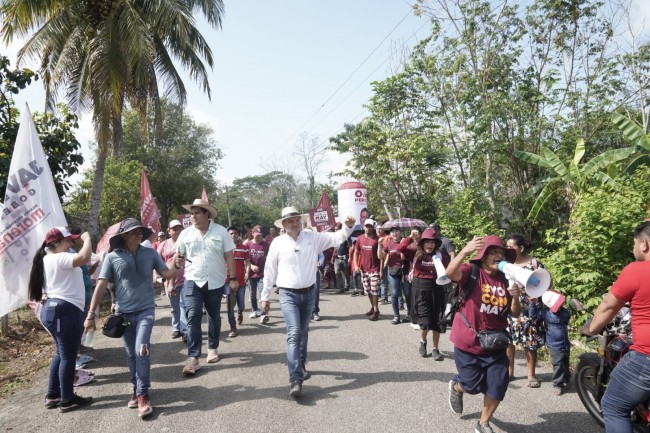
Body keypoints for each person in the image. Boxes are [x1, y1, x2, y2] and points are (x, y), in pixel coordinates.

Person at [84, 218, 176, 418]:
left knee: (141, 349)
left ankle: (143, 394)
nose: (139, 234)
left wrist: (177, 264)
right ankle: (136, 389)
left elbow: (167, 273)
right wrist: (91, 314)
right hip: (124, 315)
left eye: (141, 232)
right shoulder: (112, 257)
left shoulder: (150, 253)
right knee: (130, 354)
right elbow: (100, 285)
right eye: (134, 232)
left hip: (146, 311)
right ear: (124, 235)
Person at [260, 206, 355, 397]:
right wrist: (265, 296)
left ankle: (301, 363)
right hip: (287, 294)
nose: (295, 223)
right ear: (284, 224)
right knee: (294, 333)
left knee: (303, 332)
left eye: (297, 219)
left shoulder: (313, 238)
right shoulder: (277, 243)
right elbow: (270, 270)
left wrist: (348, 227)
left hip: (309, 292)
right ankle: (295, 379)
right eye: (291, 220)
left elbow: (337, 238)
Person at [445, 235, 521, 433]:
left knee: (498, 384)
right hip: (469, 341)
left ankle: (483, 422)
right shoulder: (471, 271)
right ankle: (457, 387)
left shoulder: (506, 278)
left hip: (496, 342)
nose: (499, 256)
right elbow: (449, 273)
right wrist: (465, 250)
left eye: (501, 253)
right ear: (483, 256)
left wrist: (515, 298)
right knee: (471, 386)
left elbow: (515, 313)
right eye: (494, 252)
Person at [581, 221, 650, 433]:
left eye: (634, 243)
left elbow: (609, 305)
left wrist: (590, 329)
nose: (633, 247)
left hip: (646, 357)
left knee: (613, 407)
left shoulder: (637, 270)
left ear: (644, 244)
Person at [29, 227, 93, 412]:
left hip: (57, 310)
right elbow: (83, 257)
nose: (71, 243)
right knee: (68, 356)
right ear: (57, 243)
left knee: (60, 353)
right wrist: (87, 238)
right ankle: (67, 398)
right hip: (64, 311)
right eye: (68, 240)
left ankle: (54, 394)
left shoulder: (49, 258)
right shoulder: (58, 258)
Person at [174, 199, 238, 374]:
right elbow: (177, 258)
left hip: (215, 281)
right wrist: (177, 264)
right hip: (192, 280)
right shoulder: (185, 234)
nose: (193, 216)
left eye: (196, 213)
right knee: (193, 316)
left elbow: (229, 256)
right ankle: (193, 357)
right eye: (191, 213)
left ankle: (212, 347)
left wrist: (233, 278)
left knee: (213, 316)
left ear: (206, 214)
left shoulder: (221, 231)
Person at [398, 228, 449, 360]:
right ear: (422, 243)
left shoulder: (440, 254)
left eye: (432, 242)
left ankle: (435, 349)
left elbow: (449, 270)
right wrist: (410, 237)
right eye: (427, 242)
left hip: (437, 289)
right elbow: (401, 248)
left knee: (438, 321)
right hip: (420, 289)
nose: (430, 245)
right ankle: (423, 341)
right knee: (425, 321)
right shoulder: (414, 252)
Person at [505, 234, 546, 387]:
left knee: (531, 343)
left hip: (531, 310)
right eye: (506, 246)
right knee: (509, 342)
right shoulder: (506, 264)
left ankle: (531, 375)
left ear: (521, 248)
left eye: (511, 247)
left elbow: (546, 283)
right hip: (510, 308)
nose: (507, 249)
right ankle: (509, 372)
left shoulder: (535, 264)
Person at [529, 289, 570, 396]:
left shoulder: (565, 312)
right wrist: (533, 304)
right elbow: (533, 316)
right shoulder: (545, 313)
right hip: (554, 344)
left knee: (565, 362)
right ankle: (557, 384)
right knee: (558, 364)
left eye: (561, 302)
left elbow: (567, 319)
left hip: (565, 342)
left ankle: (566, 380)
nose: (561, 304)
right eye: (559, 303)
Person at [157, 220, 187, 340]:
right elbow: (157, 262)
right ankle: (176, 328)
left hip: (185, 280)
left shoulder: (186, 243)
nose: (177, 231)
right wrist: (156, 275)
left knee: (184, 305)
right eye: (174, 229)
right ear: (168, 231)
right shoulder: (163, 245)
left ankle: (185, 331)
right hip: (169, 280)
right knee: (175, 307)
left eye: (180, 228)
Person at [226, 226, 251, 337]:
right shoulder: (223, 248)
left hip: (241, 281)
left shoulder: (244, 247)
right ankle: (233, 327)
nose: (233, 235)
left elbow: (248, 262)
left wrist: (247, 272)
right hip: (227, 281)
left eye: (235, 233)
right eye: (230, 233)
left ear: (238, 235)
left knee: (241, 304)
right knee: (230, 306)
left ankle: (240, 312)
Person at [355, 219, 381, 321]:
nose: (368, 228)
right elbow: (356, 252)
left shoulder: (377, 239)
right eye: (366, 226)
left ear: (373, 227)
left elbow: (381, 256)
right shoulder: (359, 239)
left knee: (374, 291)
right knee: (368, 291)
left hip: (374, 269)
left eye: (370, 226)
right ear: (364, 227)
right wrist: (356, 266)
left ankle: (376, 310)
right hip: (363, 269)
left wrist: (381, 270)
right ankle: (373, 307)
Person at [379, 227, 407, 324]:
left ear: (400, 233)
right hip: (392, 271)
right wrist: (379, 244)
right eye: (392, 232)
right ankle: (396, 316)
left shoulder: (405, 242)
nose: (394, 233)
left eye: (397, 231)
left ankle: (410, 315)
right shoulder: (388, 244)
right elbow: (380, 256)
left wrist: (403, 245)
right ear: (390, 234)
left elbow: (404, 257)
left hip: (405, 270)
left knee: (408, 293)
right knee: (394, 293)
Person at [246, 226, 269, 321]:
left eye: (259, 235)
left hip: (262, 273)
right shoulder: (248, 244)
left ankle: (263, 313)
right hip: (251, 274)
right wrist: (251, 266)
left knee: (262, 293)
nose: (258, 237)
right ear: (252, 234)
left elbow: (269, 257)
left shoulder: (265, 245)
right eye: (256, 235)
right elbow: (245, 260)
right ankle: (254, 310)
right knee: (252, 294)